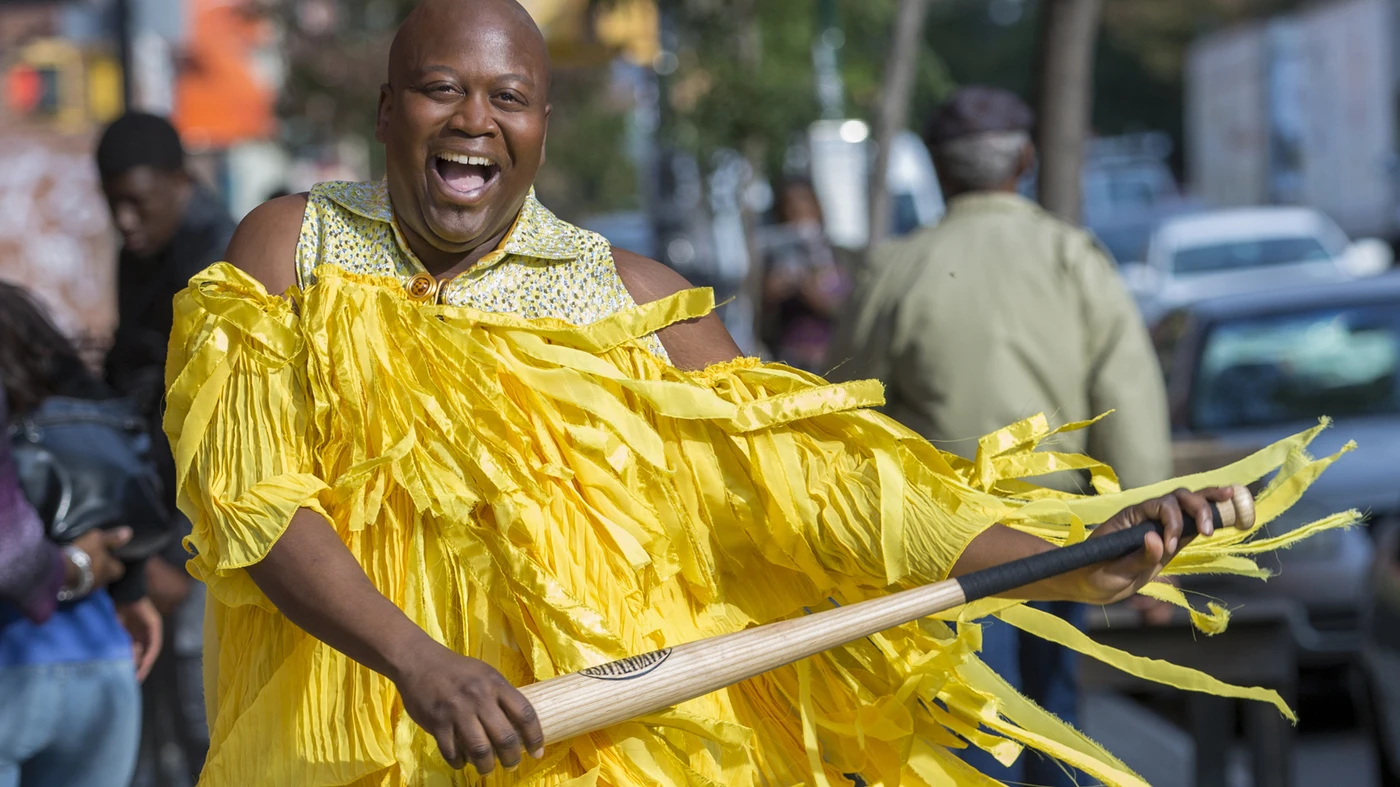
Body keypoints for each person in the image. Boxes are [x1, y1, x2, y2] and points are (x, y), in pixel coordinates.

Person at [163, 3, 1346, 785]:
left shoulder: (628, 295)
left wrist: (1057, 555)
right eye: (439, 90)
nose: (474, 120)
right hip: (341, 751)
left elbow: (825, 485)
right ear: (385, 113)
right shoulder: (291, 250)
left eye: (508, 98)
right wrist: (418, 662)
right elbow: (250, 498)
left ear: (539, 126)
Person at [829, 86, 1173, 785]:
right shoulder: (1073, 255)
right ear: (1025, 158)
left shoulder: (898, 266)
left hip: (952, 550)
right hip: (1068, 539)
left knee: (976, 736)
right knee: (1055, 728)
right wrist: (1149, 552)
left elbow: (842, 410)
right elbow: (1128, 397)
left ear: (937, 164)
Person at [96, 112, 232, 785]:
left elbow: (225, 426)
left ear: (181, 182)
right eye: (112, 201)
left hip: (207, 536)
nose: (123, 219)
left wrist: (179, 552)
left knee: (202, 711)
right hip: (158, 523)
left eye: (137, 201)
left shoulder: (220, 257)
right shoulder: (143, 251)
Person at [0, 281, 160, 787]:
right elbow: (129, 506)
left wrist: (71, 568)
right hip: (102, 665)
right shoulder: (79, 422)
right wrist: (129, 588)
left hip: (11, 668)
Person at [757, 178, 850, 372]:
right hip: (791, 361)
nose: (798, 215)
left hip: (836, 358)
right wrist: (770, 293)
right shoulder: (771, 259)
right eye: (790, 210)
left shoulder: (842, 255)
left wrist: (818, 298)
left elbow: (855, 309)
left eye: (804, 206)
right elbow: (758, 316)